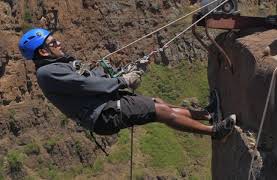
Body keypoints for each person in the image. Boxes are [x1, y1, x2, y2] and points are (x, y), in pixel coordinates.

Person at [18, 28, 236, 141]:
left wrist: (125, 72)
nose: (59, 43)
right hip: (102, 114)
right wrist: (123, 80)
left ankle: (207, 114)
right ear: (43, 51)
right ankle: (214, 131)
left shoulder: (59, 64)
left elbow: (93, 76)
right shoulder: (48, 72)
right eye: (53, 42)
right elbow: (85, 85)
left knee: (158, 103)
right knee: (159, 111)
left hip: (105, 105)